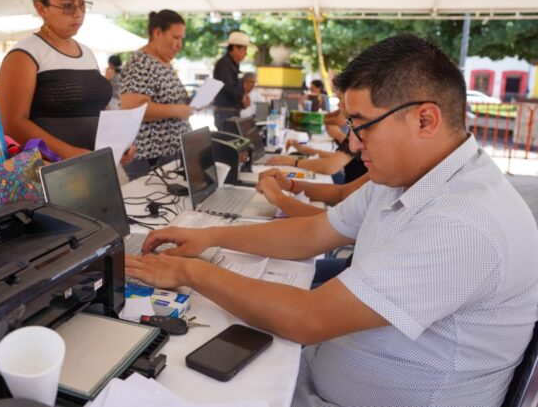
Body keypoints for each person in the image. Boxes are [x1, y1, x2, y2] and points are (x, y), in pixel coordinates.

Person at [126, 34, 538, 407]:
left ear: (425, 120)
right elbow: (315, 232)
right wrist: (210, 237)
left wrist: (189, 272)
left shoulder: (465, 222)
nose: (354, 144)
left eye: (362, 126)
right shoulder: (409, 176)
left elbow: (309, 319)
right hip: (324, 372)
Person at [0, 0, 125, 161]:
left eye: (82, 4)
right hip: (54, 173)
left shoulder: (87, 53)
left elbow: (97, 110)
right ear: (42, 8)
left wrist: (117, 144)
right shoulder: (26, 54)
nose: (78, 13)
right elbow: (12, 123)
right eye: (67, 6)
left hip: (94, 166)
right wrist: (69, 154)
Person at [120, 10, 192, 179]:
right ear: (157, 33)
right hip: (151, 157)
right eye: (175, 37)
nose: (180, 44)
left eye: (182, 38)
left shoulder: (163, 62)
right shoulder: (141, 62)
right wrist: (177, 110)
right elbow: (132, 107)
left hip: (168, 155)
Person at [213, 31, 253, 130]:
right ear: (235, 48)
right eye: (244, 49)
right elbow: (228, 87)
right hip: (225, 112)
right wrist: (242, 97)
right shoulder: (224, 64)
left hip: (232, 111)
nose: (246, 53)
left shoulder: (233, 64)